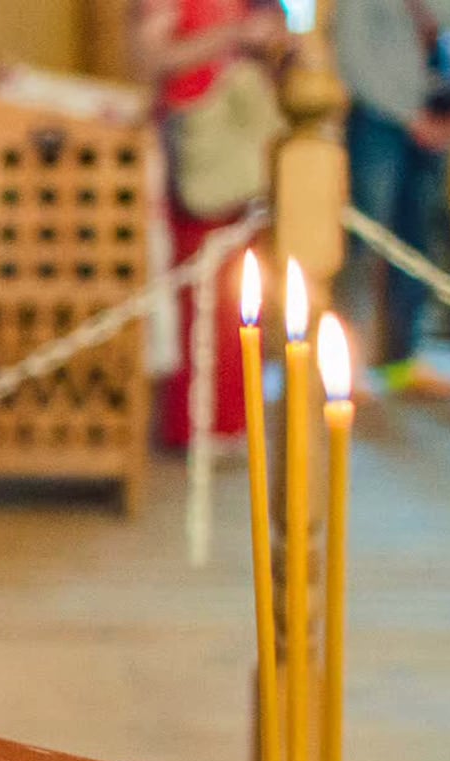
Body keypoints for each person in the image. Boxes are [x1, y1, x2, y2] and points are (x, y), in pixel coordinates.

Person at [135, 0, 292, 452]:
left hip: (241, 144)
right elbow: (149, 59)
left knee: (238, 295)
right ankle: (195, 425)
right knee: (200, 295)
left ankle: (230, 421)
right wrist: (234, 35)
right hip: (199, 143)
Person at [335, 0, 450, 398]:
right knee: (364, 242)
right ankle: (345, 364)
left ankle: (401, 362)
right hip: (379, 124)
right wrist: (409, 116)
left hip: (436, 121)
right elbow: (353, 55)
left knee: (417, 245)